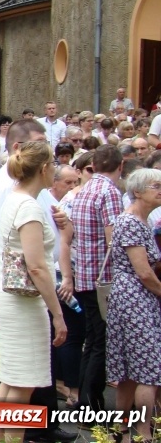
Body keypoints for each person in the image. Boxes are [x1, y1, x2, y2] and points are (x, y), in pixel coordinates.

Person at [0, 141, 67, 443]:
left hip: (9, 296)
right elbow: (36, 266)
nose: (56, 171)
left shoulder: (14, 197)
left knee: (11, 378)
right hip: (23, 301)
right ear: (44, 169)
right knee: (23, 381)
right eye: (55, 166)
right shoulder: (29, 206)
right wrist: (57, 314)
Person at [105, 168, 161, 441]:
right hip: (134, 297)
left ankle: (122, 429)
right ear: (137, 191)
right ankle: (143, 432)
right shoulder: (129, 222)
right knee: (147, 370)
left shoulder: (143, 220)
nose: (160, 190)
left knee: (129, 369)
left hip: (136, 296)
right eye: (155, 186)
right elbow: (144, 272)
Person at [69, 144, 123, 415]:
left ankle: (84, 401)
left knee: (92, 340)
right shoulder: (109, 191)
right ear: (120, 166)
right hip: (103, 277)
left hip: (85, 273)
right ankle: (90, 405)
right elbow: (114, 239)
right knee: (100, 342)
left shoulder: (86, 189)